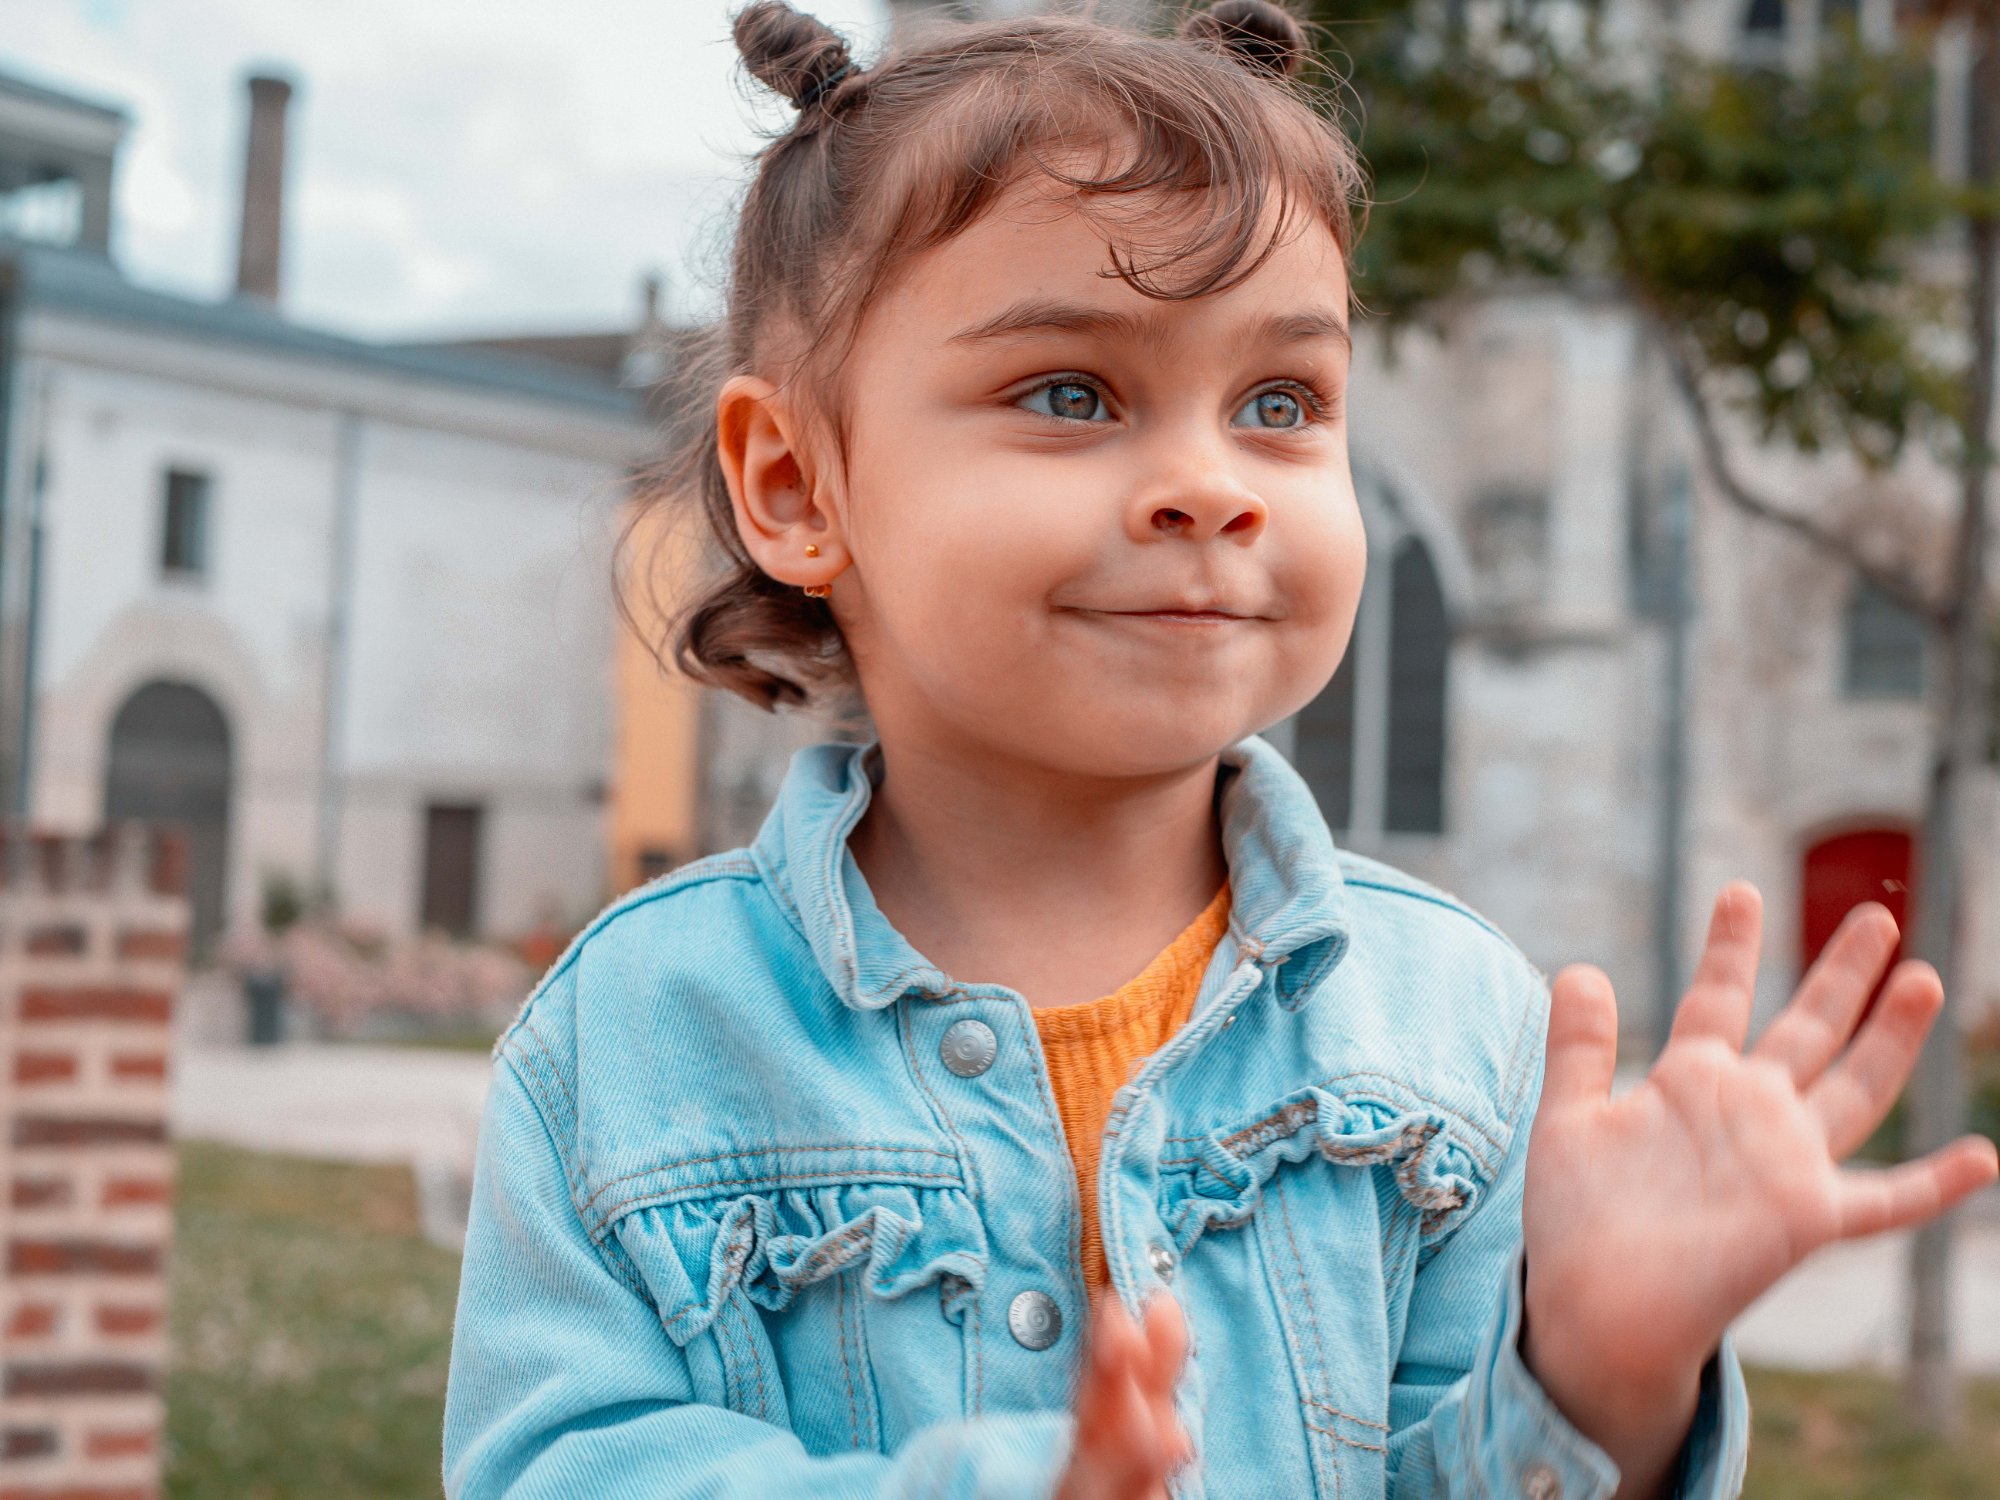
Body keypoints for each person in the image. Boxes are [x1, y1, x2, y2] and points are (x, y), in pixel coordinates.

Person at [441, 3, 2000, 1496]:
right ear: (795, 486)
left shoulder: (1459, 1039)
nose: (1215, 484)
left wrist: (1598, 1380)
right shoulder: (629, 1044)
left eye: (1281, 399)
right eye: (1071, 392)